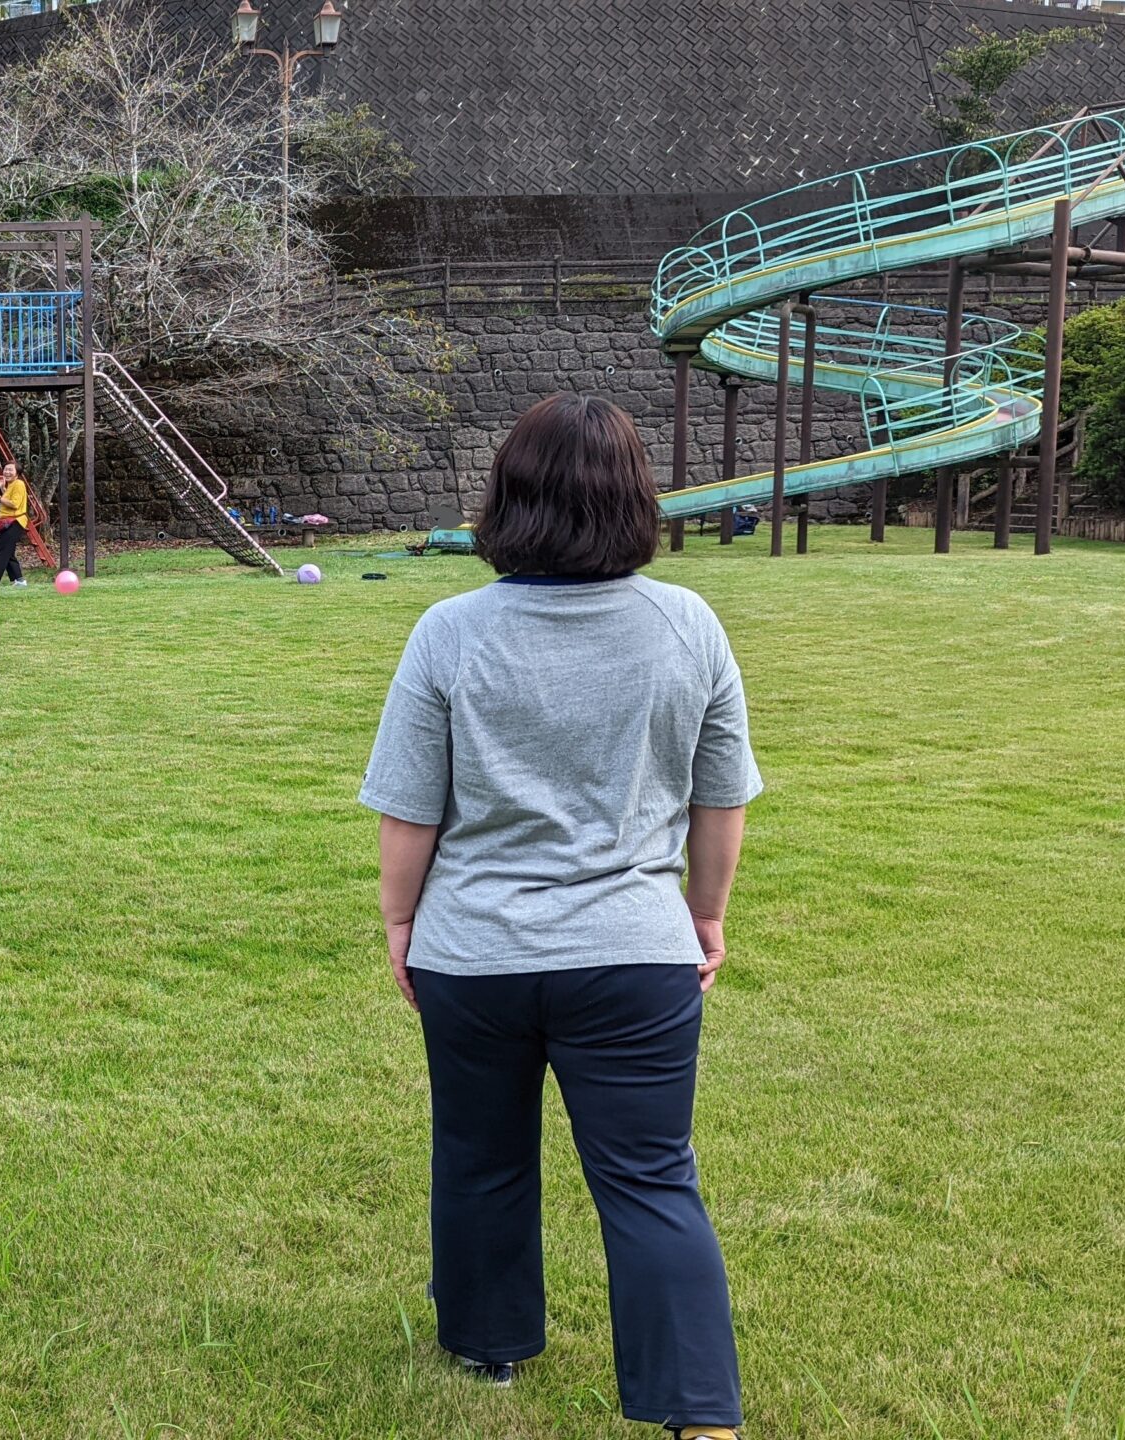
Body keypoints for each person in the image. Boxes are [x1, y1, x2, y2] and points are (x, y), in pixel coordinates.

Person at [360, 393, 760, 1440]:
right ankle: (696, 1413)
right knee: (649, 1177)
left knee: (479, 1152)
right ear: (635, 499)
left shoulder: (449, 632)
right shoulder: (689, 625)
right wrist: (703, 915)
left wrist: (400, 923)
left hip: (474, 951)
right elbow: (722, 799)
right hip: (635, 952)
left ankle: (488, 1342)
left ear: (507, 496)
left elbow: (412, 806)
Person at [0, 458, 31, 586]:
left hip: (15, 521)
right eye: (6, 469)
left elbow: (14, 504)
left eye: (10, 470)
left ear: (17, 472)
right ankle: (19, 580)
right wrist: (2, 489)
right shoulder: (11, 485)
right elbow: (10, 499)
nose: (7, 472)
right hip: (10, 521)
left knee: (1, 551)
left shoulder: (18, 484)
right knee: (9, 552)